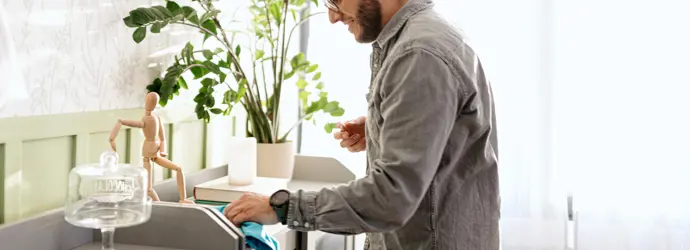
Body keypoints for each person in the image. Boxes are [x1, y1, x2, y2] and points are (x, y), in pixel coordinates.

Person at [224, 0, 500, 249]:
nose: (332, 16)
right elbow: (450, 128)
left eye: (337, 0)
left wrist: (281, 208)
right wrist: (384, 125)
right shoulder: (429, 31)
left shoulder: (419, 54)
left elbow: (391, 197)